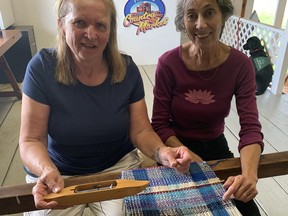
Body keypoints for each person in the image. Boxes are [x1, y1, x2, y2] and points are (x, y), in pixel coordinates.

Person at [18, 0, 193, 215]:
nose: (91, 35)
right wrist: (46, 169)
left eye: (100, 25)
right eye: (79, 23)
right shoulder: (42, 67)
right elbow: (31, 140)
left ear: (111, 31)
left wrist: (162, 152)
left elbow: (141, 131)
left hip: (117, 167)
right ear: (61, 25)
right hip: (57, 172)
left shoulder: (127, 70)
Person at [151, 0, 264, 215]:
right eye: (192, 16)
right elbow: (159, 124)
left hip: (215, 146)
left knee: (248, 211)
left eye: (209, 13)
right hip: (175, 148)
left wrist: (249, 176)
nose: (200, 25)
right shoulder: (168, 64)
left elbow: (250, 128)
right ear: (183, 21)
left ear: (223, 16)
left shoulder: (240, 65)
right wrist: (193, 159)